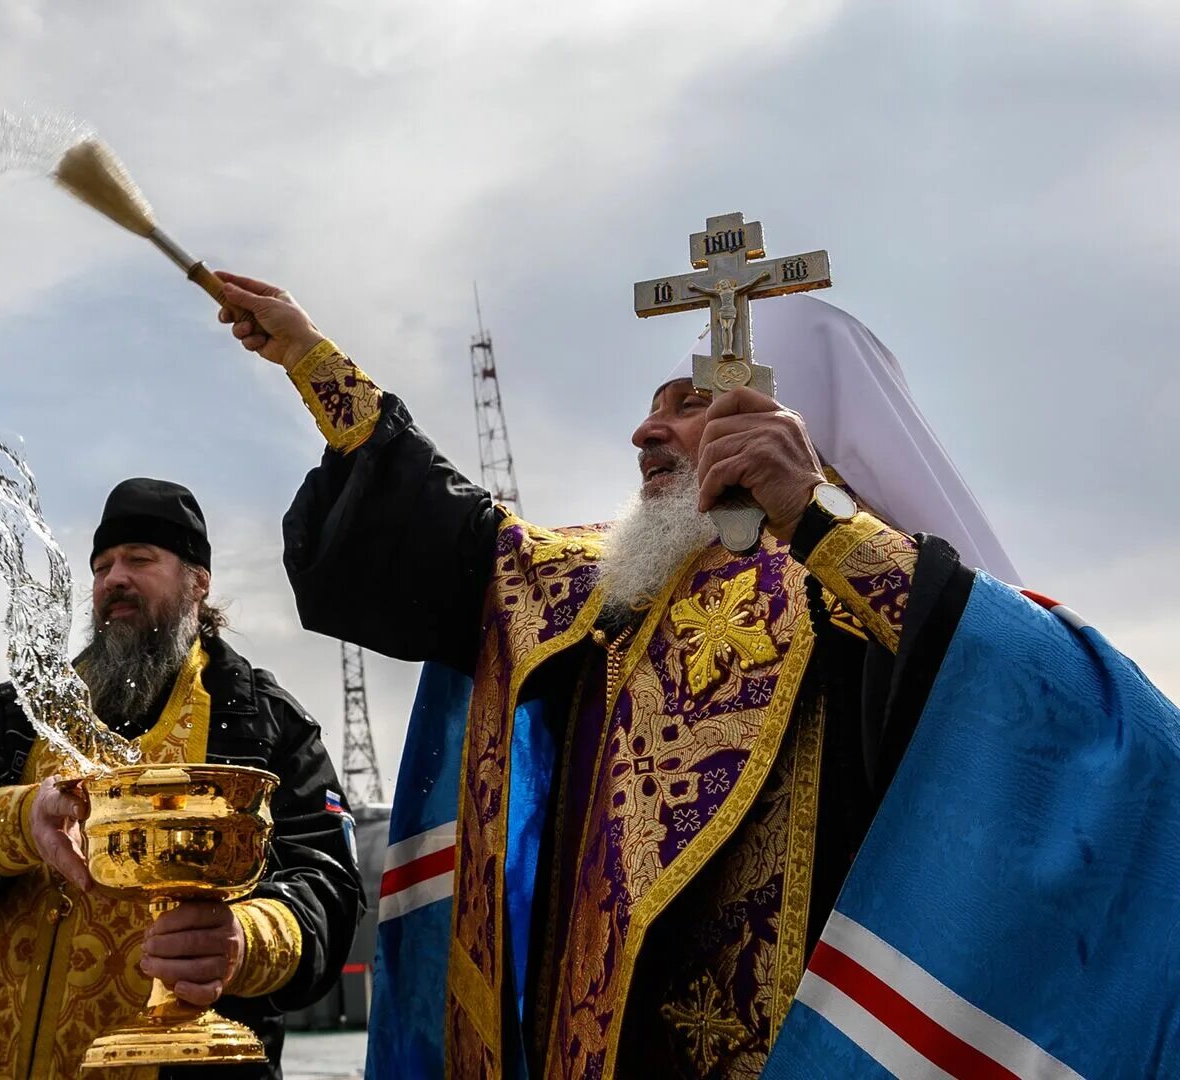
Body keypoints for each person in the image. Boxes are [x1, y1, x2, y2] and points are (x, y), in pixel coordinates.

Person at [214, 274, 1180, 1079]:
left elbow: (1083, 727)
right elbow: (450, 539)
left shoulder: (877, 598)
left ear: (790, 425)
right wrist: (311, 360)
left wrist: (814, 524)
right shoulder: (604, 581)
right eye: (651, 405)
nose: (645, 429)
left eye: (687, 403)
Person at [0, 477, 365, 1079]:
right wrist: (17, 820)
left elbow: (328, 884)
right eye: (103, 564)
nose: (115, 578)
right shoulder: (30, 708)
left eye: (140, 559)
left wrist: (247, 942)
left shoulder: (265, 721)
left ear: (198, 581)